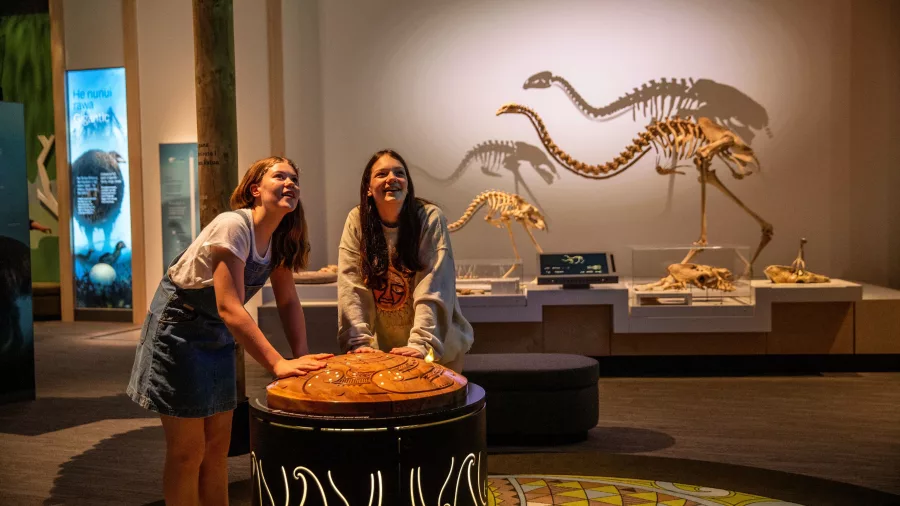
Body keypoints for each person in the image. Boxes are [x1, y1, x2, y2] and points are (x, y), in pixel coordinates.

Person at [127, 156, 332, 505]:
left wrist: (301, 356)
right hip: (179, 330)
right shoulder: (233, 226)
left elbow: (288, 301)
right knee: (187, 452)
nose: (290, 183)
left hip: (218, 335)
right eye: (279, 176)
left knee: (217, 448)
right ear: (255, 189)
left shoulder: (282, 236)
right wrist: (277, 364)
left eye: (295, 179)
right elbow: (229, 306)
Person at [337, 149, 473, 372]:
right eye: (382, 174)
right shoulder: (356, 220)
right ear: (368, 189)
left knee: (436, 406)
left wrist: (421, 345)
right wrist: (358, 342)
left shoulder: (429, 217)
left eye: (399, 173)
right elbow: (351, 285)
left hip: (434, 353)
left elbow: (433, 284)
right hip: (385, 354)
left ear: (407, 184)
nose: (392, 178)